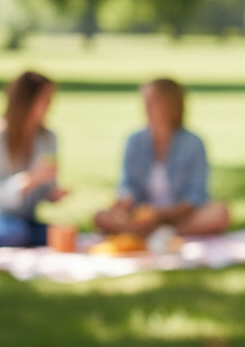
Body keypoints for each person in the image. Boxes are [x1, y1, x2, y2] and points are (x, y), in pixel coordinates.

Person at [94, 78, 229, 236]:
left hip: (180, 216)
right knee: (100, 216)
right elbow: (128, 184)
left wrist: (162, 214)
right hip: (141, 215)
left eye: (153, 102)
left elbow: (196, 195)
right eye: (146, 102)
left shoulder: (193, 143)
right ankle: (153, 233)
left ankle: (161, 233)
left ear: (172, 105)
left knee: (220, 213)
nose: (147, 108)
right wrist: (125, 201)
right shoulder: (135, 141)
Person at [0, 71, 68, 253]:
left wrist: (51, 193)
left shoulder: (48, 138)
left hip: (21, 220)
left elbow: (43, 190)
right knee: (16, 234)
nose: (50, 106)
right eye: (45, 100)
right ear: (26, 101)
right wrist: (30, 179)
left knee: (57, 234)